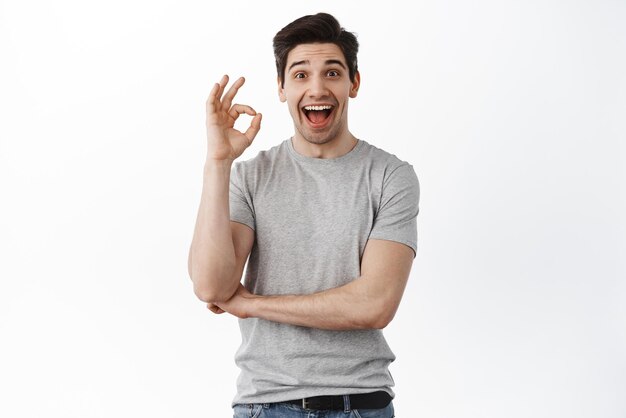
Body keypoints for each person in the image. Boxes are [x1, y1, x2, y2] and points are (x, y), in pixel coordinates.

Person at [188, 12, 419, 418]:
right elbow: (212, 286)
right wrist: (218, 162)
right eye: (299, 75)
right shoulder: (250, 176)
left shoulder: (390, 177)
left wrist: (253, 304)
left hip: (360, 404)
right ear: (281, 87)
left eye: (332, 72)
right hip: (265, 405)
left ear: (354, 83)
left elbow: (375, 304)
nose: (317, 88)